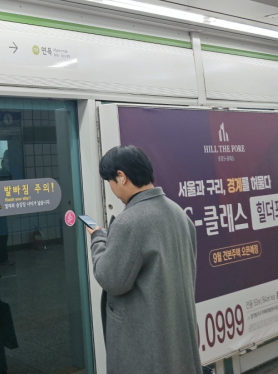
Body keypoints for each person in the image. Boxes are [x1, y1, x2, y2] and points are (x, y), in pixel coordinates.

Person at [86, 145, 201, 374]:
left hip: (144, 342)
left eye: (110, 182)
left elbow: (111, 279)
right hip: (175, 331)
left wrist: (98, 238)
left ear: (121, 176)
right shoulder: (178, 212)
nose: (112, 190)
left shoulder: (129, 222)